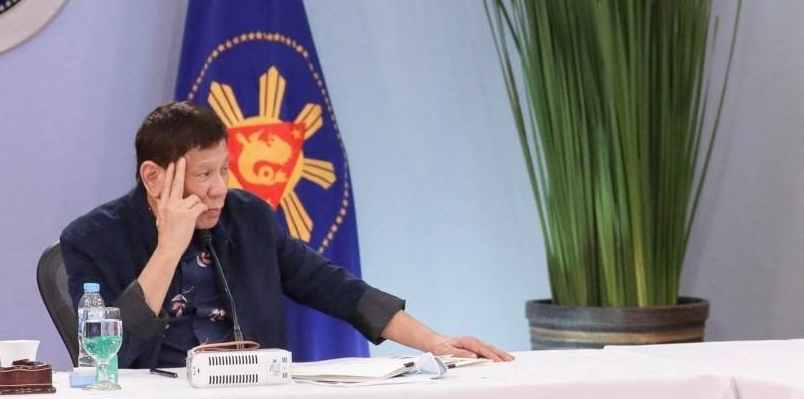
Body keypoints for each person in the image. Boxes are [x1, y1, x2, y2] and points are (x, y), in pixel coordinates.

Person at [60, 101, 513, 369]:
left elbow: (334, 287)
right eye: (203, 175)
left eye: (224, 170)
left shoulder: (247, 217)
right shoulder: (91, 239)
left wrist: (436, 343)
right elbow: (103, 359)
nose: (219, 189)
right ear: (153, 177)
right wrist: (169, 249)